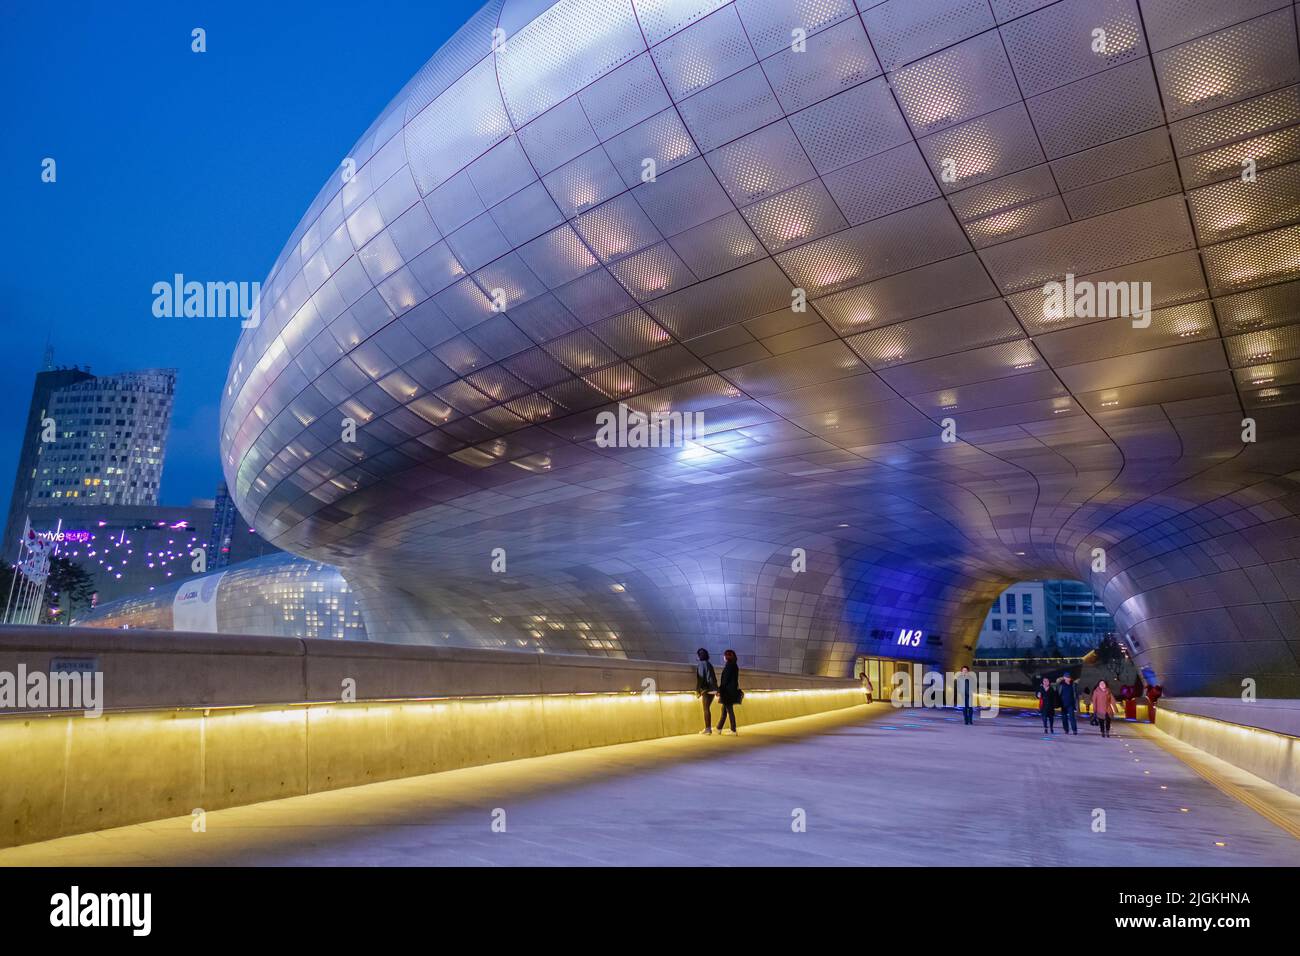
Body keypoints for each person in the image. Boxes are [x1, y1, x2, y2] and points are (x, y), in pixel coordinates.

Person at [717, 648, 742, 735]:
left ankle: (733, 730)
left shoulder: (729, 666)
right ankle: (719, 728)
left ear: (727, 657)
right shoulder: (735, 665)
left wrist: (719, 690)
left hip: (727, 692)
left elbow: (725, 680)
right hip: (731, 691)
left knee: (729, 711)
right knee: (724, 710)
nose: (724, 657)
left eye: (725, 655)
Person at [695, 648, 718, 735]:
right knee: (707, 708)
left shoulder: (701, 664)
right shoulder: (709, 664)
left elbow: (701, 678)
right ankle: (708, 728)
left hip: (707, 689)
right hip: (713, 689)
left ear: (699, 655)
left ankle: (708, 729)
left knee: (706, 709)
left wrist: (698, 691)